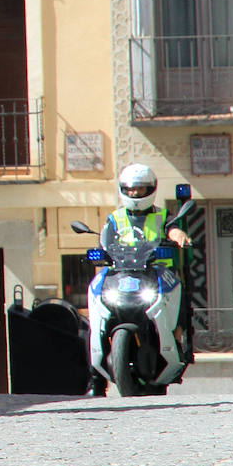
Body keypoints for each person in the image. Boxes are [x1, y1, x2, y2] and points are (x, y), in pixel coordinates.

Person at [89, 163, 193, 396]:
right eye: (131, 189)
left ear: (152, 189)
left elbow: (172, 229)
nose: (135, 194)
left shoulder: (162, 215)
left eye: (141, 189)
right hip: (121, 274)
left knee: (182, 294)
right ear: (123, 190)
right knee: (95, 302)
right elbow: (105, 242)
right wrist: (100, 254)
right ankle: (96, 377)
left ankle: (178, 340)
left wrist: (179, 236)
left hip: (156, 274)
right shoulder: (114, 218)